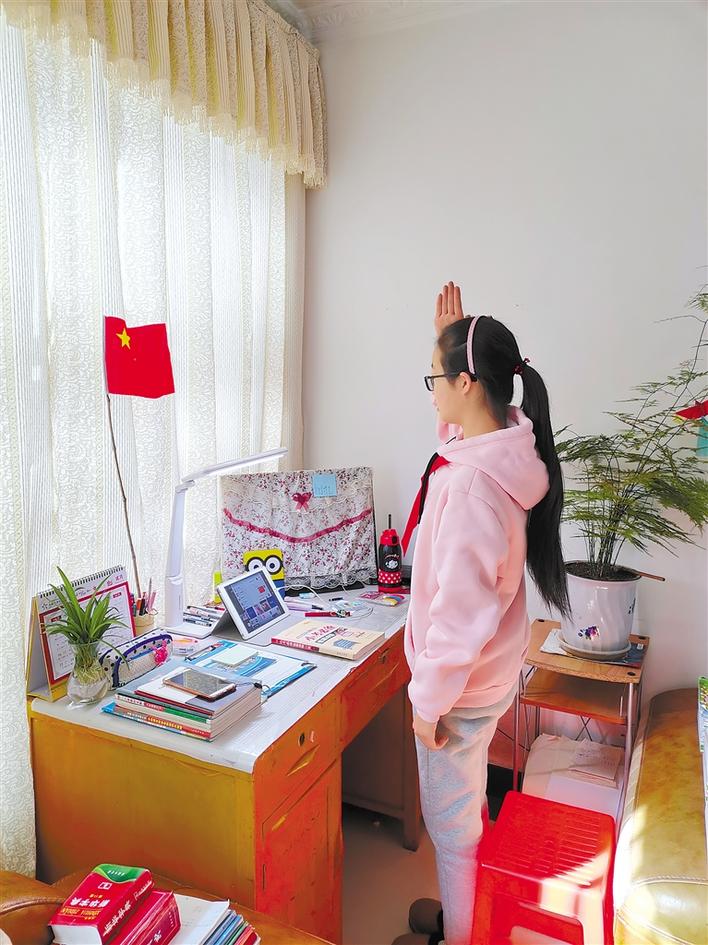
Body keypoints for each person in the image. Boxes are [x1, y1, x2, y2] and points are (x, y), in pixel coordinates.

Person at [393, 283, 569, 945]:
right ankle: (464, 915)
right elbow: (456, 432)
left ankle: (462, 934)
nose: (431, 394)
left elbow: (458, 621)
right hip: (488, 679)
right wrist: (447, 339)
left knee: (452, 829)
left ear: (467, 383)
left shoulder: (470, 488)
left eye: (435, 378)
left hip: (459, 691)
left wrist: (426, 703)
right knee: (465, 811)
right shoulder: (504, 448)